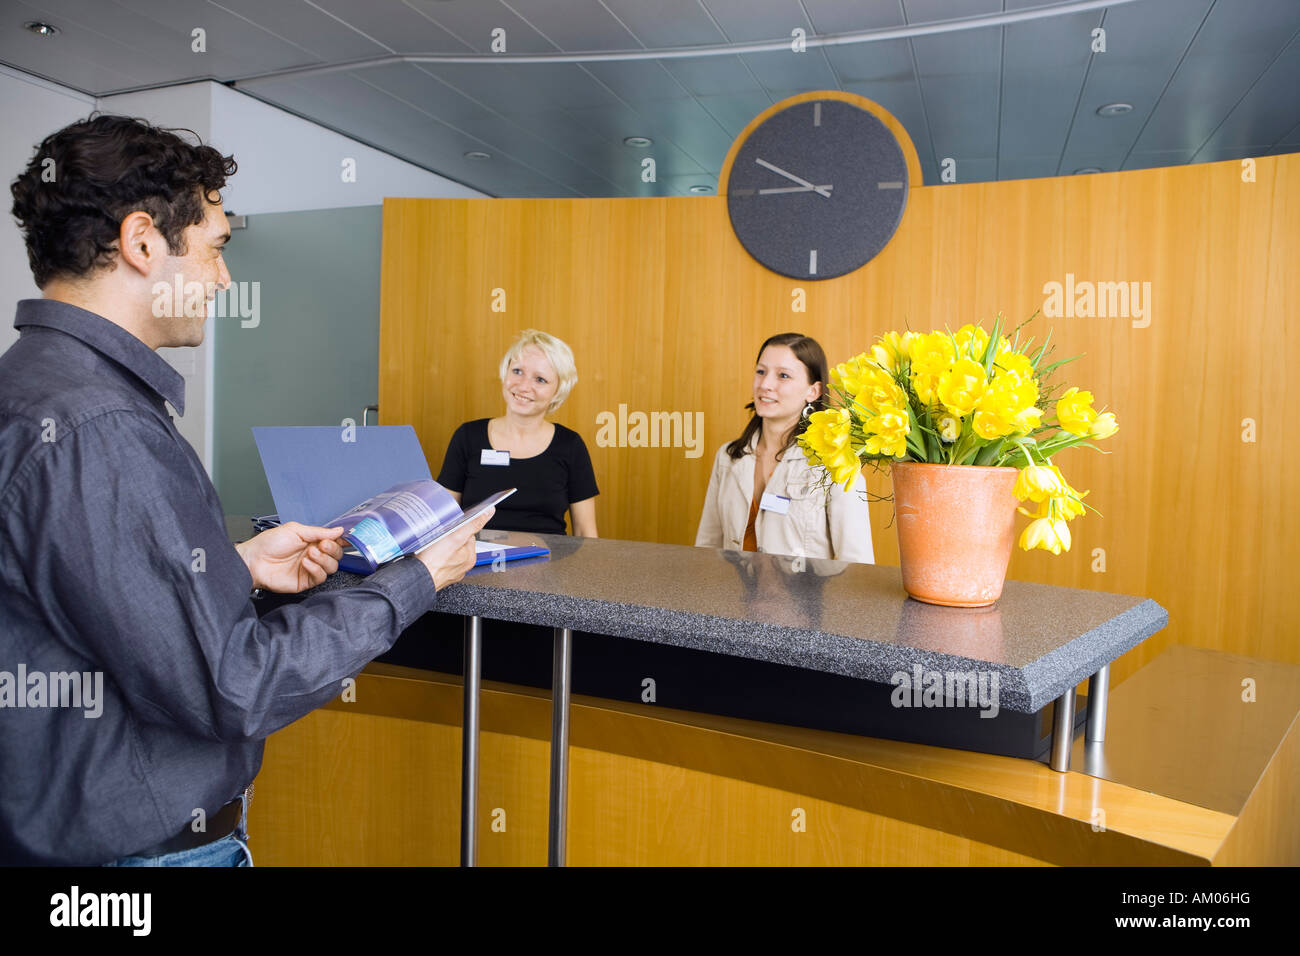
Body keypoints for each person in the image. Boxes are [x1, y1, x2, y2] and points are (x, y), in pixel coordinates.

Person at [0, 115, 493, 867]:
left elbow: (85, 604)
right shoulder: (99, 426)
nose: (226, 280)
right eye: (217, 248)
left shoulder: (34, 388)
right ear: (141, 243)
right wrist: (411, 583)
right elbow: (235, 687)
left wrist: (231, 565)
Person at [695, 332, 874, 563]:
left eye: (783, 375)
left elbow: (857, 563)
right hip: (732, 597)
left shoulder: (835, 463)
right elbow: (706, 548)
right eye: (761, 372)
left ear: (813, 391)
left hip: (807, 599)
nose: (766, 384)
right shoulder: (728, 456)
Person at [437, 329, 599, 537]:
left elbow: (586, 531)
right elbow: (443, 524)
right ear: (505, 373)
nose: (523, 386)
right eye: (517, 371)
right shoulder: (468, 437)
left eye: (540, 379)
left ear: (558, 390)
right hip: (475, 562)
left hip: (550, 564)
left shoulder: (570, 445)